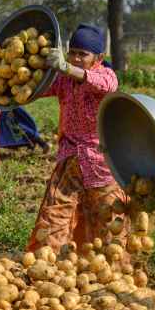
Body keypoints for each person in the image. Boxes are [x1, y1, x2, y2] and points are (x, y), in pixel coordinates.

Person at [26, 24, 125, 253]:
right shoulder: (64, 80)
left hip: (101, 165)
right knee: (53, 216)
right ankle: (47, 264)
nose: (76, 58)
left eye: (83, 54)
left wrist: (67, 68)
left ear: (98, 57)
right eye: (72, 53)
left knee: (107, 222)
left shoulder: (105, 75)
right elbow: (38, 89)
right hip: (70, 160)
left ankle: (110, 271)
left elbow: (107, 86)